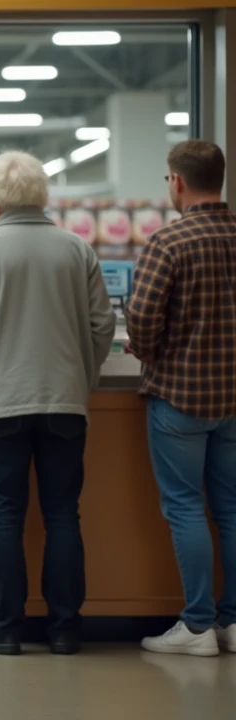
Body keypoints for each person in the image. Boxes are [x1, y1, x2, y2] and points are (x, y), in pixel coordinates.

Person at [0, 152, 115, 656]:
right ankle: (65, 630)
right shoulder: (76, 249)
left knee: (4, 516)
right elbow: (103, 325)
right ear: (42, 196)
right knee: (64, 514)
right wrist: (80, 375)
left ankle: (6, 631)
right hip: (65, 401)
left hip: (1, 402)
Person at [126, 140, 236, 657]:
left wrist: (144, 348)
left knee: (187, 507)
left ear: (177, 182)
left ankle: (197, 626)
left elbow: (143, 320)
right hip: (235, 401)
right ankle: (234, 623)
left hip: (181, 398)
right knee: (233, 509)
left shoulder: (168, 242)